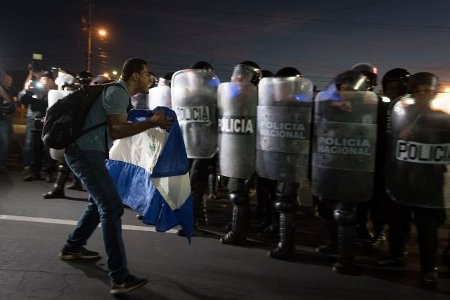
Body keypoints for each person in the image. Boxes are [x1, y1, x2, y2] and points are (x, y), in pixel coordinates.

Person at [59, 58, 173, 295]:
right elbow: (117, 129)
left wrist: (155, 124)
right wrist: (151, 122)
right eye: (146, 74)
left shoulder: (120, 95)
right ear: (134, 76)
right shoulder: (117, 92)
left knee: (97, 202)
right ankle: (120, 277)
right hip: (84, 154)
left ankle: (73, 246)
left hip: (90, 153)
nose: (149, 78)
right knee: (111, 207)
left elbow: (124, 126)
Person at [384, 72, 449, 286]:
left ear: (433, 92)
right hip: (402, 178)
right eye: (417, 90)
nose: (422, 94)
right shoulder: (399, 112)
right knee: (396, 223)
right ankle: (396, 256)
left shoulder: (444, 117)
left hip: (430, 183)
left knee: (427, 229)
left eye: (426, 90)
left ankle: (429, 269)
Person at [312, 69, 379, 273]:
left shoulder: (371, 108)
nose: (344, 91)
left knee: (346, 213)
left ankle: (346, 256)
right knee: (326, 209)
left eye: (349, 88)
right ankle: (332, 242)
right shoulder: (327, 106)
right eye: (341, 87)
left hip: (354, 165)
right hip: (330, 162)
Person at [256, 67, 314, 259]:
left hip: (291, 160)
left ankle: (286, 244)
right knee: (275, 196)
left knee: (285, 200)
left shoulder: (303, 105)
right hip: (272, 158)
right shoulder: (269, 103)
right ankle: (275, 229)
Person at [171, 61, 220, 235]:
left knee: (195, 184)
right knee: (191, 184)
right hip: (188, 145)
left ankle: (191, 221)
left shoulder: (215, 94)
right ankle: (198, 216)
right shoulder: (184, 93)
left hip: (205, 147)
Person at [218, 60, 261, 245]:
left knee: (238, 192)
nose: (234, 78)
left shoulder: (254, 96)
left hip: (247, 153)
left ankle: (238, 233)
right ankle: (240, 224)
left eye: (240, 75)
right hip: (235, 150)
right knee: (238, 191)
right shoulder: (235, 94)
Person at [19, 70, 56, 182]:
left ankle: (48, 172)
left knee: (48, 150)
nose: (43, 81)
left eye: (46, 79)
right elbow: (23, 100)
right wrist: (26, 90)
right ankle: (35, 172)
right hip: (35, 124)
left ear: (51, 81)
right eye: (42, 79)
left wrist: (49, 90)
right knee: (35, 149)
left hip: (48, 125)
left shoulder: (54, 92)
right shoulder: (34, 91)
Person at [0, 72, 17, 172]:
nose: (8, 81)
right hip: (3, 119)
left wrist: (7, 98)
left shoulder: (10, 90)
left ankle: (2, 164)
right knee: (5, 141)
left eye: (10, 80)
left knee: (6, 141)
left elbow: (13, 103)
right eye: (6, 79)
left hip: (6, 118)